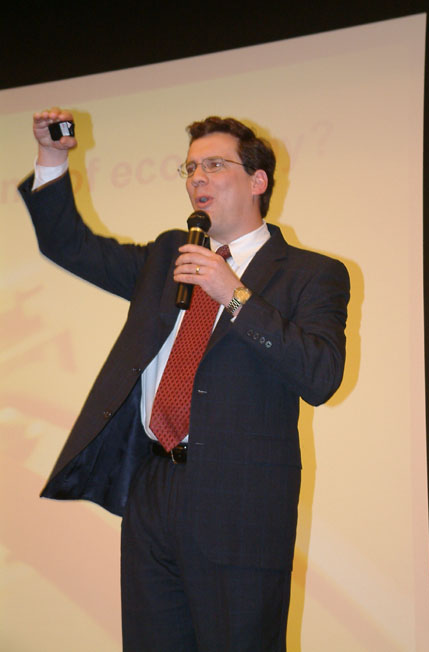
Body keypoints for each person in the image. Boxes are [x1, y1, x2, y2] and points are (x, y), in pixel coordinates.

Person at [18, 107, 350, 651]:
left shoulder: (311, 274)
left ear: (258, 181)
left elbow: (321, 376)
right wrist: (52, 157)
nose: (197, 178)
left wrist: (234, 295)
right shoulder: (167, 258)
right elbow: (70, 245)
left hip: (240, 499)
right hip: (153, 487)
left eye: (214, 165)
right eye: (190, 168)